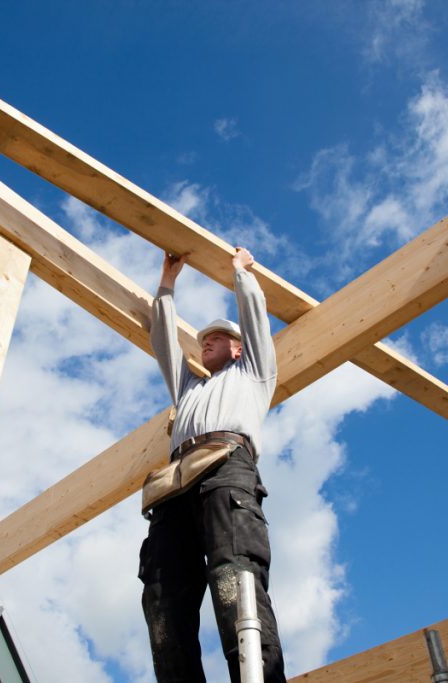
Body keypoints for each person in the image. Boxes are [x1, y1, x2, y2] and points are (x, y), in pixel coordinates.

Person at [139, 246, 286, 683]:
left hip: (226, 467)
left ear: (239, 350)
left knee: (232, 577)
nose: (206, 340)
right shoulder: (188, 389)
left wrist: (241, 273)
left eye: (218, 337)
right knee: (163, 599)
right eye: (205, 338)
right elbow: (163, 342)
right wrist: (167, 283)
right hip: (174, 485)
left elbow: (255, 321)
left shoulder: (253, 374)